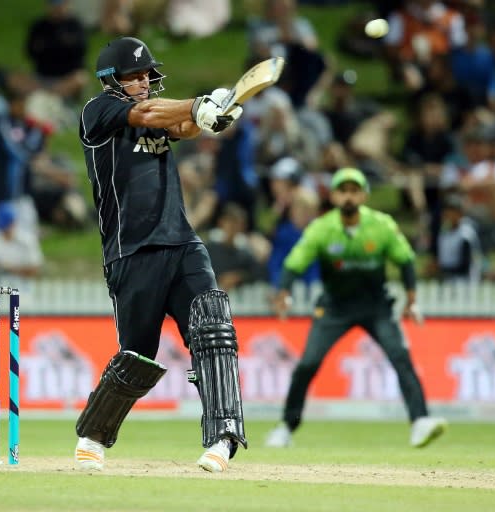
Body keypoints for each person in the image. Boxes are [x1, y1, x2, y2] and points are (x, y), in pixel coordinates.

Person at [74, 37, 247, 473]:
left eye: (148, 73)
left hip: (182, 242)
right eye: (134, 75)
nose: (144, 81)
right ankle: (94, 435)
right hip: (131, 250)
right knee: (137, 353)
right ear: (111, 80)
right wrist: (199, 105)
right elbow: (153, 113)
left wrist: (212, 114)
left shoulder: (158, 112)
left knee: (213, 330)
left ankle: (223, 437)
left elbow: (184, 127)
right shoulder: (98, 113)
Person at [266, 167, 448, 449]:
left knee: (401, 357)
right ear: (335, 196)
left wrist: (411, 298)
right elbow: (293, 264)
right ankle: (285, 427)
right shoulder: (322, 228)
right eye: (343, 191)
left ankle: (420, 421)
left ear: (364, 195)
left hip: (377, 307)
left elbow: (406, 260)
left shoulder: (382, 225)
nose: (349, 196)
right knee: (307, 364)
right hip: (334, 308)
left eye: (354, 190)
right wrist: (284, 293)